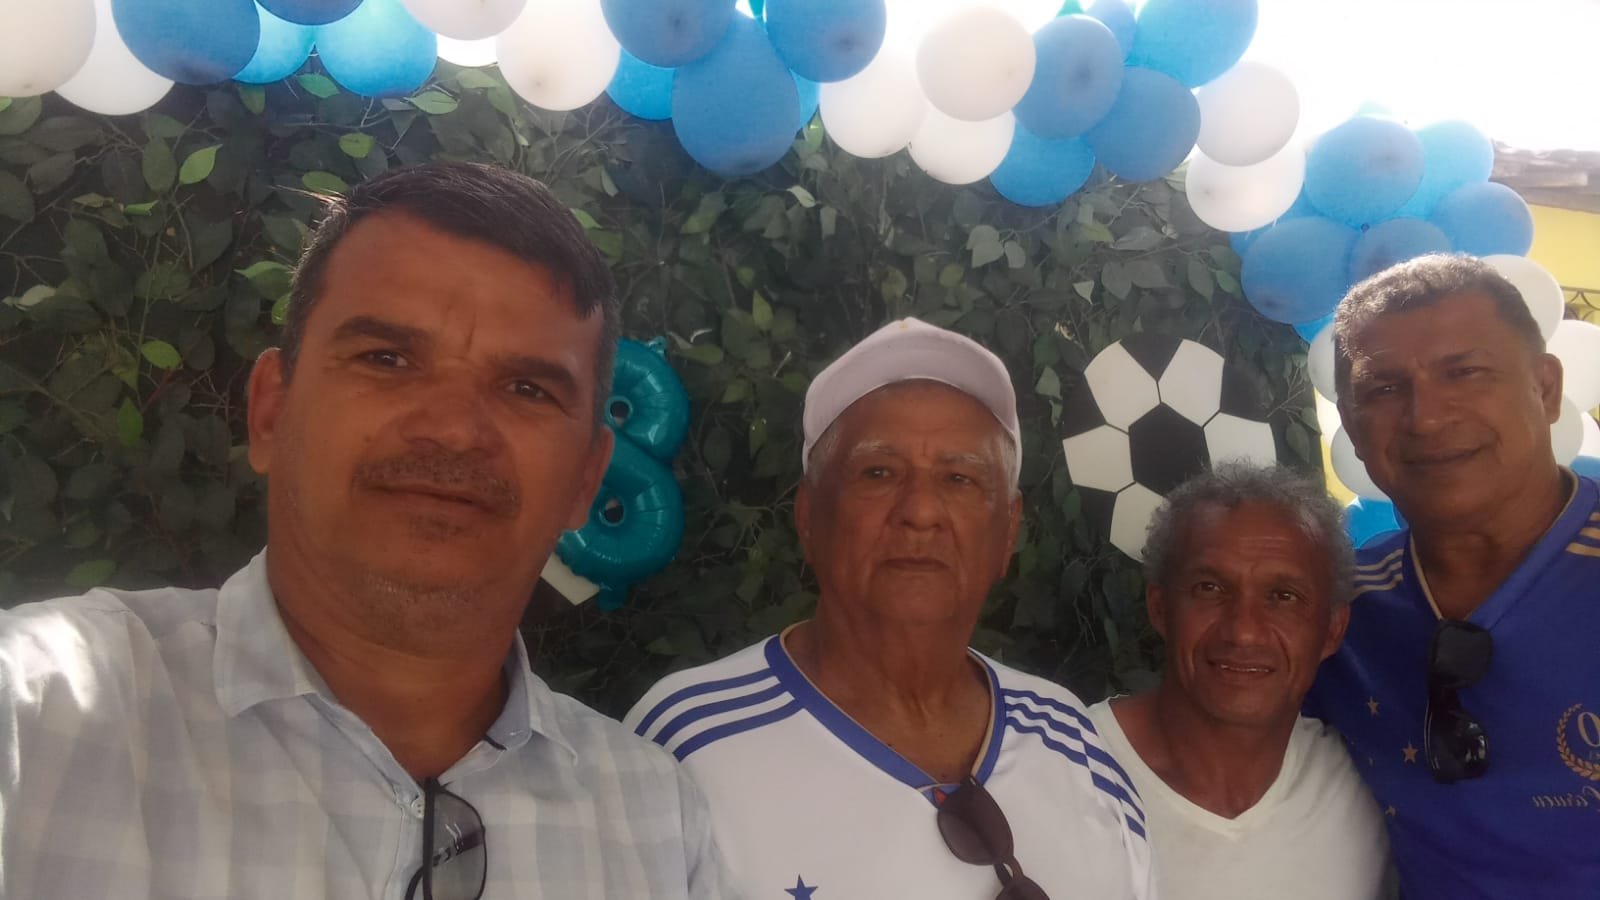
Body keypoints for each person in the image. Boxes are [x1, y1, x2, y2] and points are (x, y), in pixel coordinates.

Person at [0, 162, 734, 899]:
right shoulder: (41, 717)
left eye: (526, 388)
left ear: (584, 480)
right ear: (270, 412)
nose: (453, 429)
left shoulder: (657, 823)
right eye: (387, 359)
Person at [625, 318, 1153, 900]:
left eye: (960, 478)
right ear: (809, 517)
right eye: (878, 472)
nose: (921, 511)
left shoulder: (1072, 741)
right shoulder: (686, 745)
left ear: (1008, 531)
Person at [1306, 253, 1600, 899]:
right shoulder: (1337, 614)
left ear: (1546, 389)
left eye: (1464, 372)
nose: (1427, 417)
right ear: (1352, 427)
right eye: (1384, 389)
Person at [1086, 463, 1392, 900]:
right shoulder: (1068, 771)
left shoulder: (1367, 784)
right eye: (1210, 588)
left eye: (1283, 597)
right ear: (1160, 608)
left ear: (1331, 630)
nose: (1244, 631)